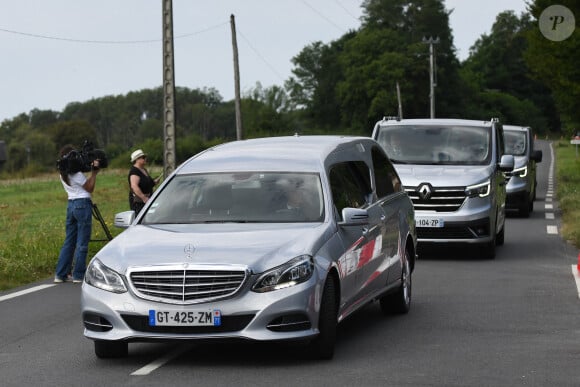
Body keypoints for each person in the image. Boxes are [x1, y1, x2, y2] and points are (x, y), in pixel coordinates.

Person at [54, 144, 100, 283]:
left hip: (71, 205)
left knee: (69, 241)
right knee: (82, 242)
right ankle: (79, 275)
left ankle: (60, 274)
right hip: (82, 204)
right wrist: (94, 173)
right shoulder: (76, 174)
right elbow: (90, 188)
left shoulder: (63, 173)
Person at [128, 149, 160, 214]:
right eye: (143, 157)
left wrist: (154, 182)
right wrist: (144, 198)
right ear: (137, 159)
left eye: (145, 157)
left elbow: (147, 183)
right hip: (139, 203)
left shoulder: (143, 169)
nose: (145, 159)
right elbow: (134, 186)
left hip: (147, 200)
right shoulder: (134, 171)